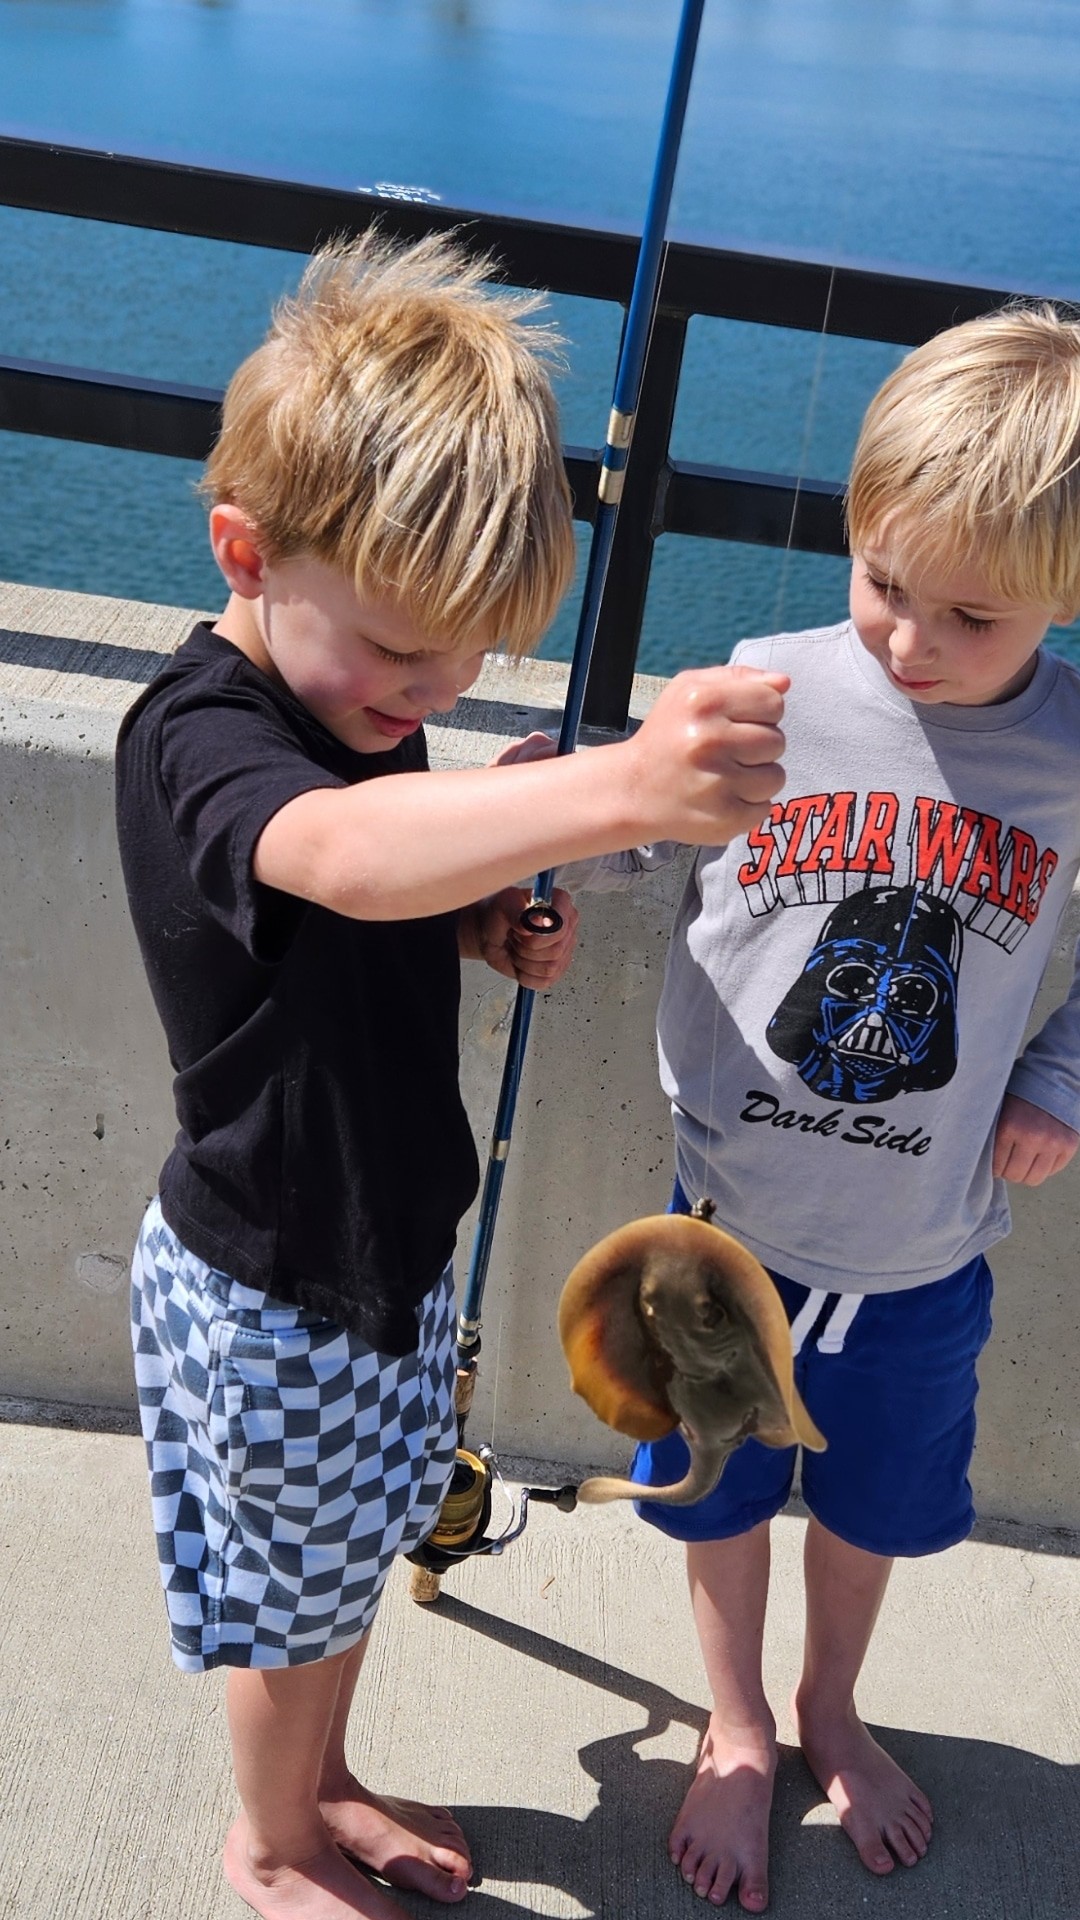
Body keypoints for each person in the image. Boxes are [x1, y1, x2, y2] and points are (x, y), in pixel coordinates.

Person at [114, 228, 789, 1920]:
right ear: (244, 550)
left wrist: (483, 919)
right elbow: (333, 858)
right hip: (272, 1277)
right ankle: (266, 1838)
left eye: (469, 659)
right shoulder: (199, 734)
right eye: (407, 658)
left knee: (347, 1568)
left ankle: (322, 1785)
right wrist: (626, 791)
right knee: (287, 1606)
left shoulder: (358, 703)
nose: (435, 695)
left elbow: (378, 894)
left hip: (392, 1247)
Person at [563, 303, 1080, 1910]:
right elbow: (632, 827)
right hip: (723, 1234)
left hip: (926, 1251)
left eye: (968, 616)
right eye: (880, 585)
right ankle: (731, 1723)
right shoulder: (764, 688)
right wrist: (568, 813)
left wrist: (1059, 1077)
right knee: (720, 1490)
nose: (907, 641)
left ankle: (827, 1705)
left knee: (869, 1507)